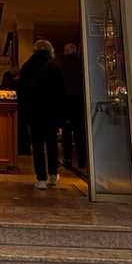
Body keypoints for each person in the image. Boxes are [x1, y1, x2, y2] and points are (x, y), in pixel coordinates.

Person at [16, 40, 64, 189]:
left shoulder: (27, 66)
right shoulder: (55, 66)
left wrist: (24, 112)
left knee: (37, 145)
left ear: (35, 50)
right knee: (52, 143)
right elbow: (61, 92)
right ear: (50, 50)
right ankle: (53, 175)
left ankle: (41, 179)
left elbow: (22, 92)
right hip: (51, 111)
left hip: (34, 112)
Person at [59, 42, 88, 173]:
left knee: (66, 132)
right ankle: (82, 160)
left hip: (65, 103)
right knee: (80, 132)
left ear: (66, 51)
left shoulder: (62, 65)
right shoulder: (82, 63)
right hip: (79, 102)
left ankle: (67, 159)